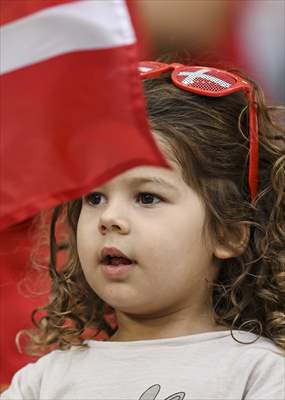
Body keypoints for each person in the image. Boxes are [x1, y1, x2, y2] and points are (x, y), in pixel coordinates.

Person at [2, 61, 284, 400]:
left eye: (147, 197)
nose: (110, 217)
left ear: (228, 232)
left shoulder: (260, 374)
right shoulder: (42, 382)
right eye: (95, 197)